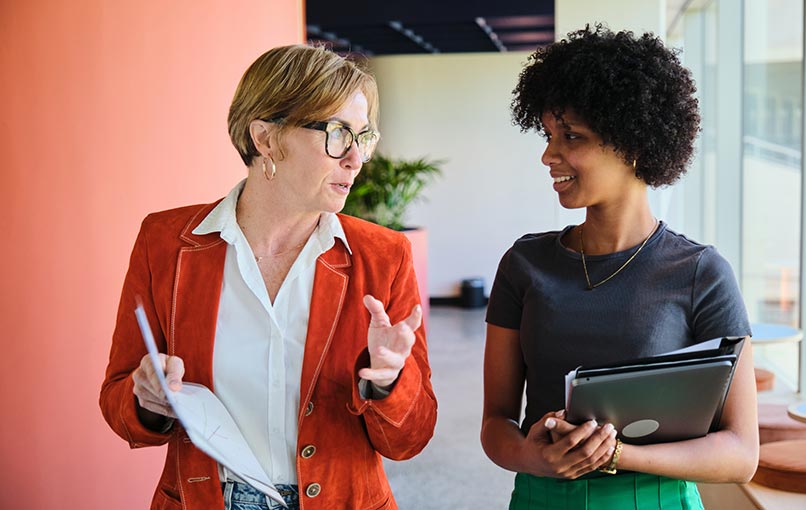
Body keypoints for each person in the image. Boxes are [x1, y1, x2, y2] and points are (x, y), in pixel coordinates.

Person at [100, 44, 437, 510]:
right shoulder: (166, 242)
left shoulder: (384, 256)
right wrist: (147, 399)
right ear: (266, 138)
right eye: (338, 134)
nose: (356, 158)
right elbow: (118, 399)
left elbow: (412, 437)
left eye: (363, 137)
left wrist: (388, 382)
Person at [481, 25, 759, 510]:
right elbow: (495, 423)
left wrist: (616, 454)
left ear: (633, 144)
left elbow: (740, 453)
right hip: (542, 498)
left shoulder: (701, 273)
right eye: (548, 135)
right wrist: (533, 457)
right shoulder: (524, 264)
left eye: (571, 136)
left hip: (656, 500)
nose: (548, 155)